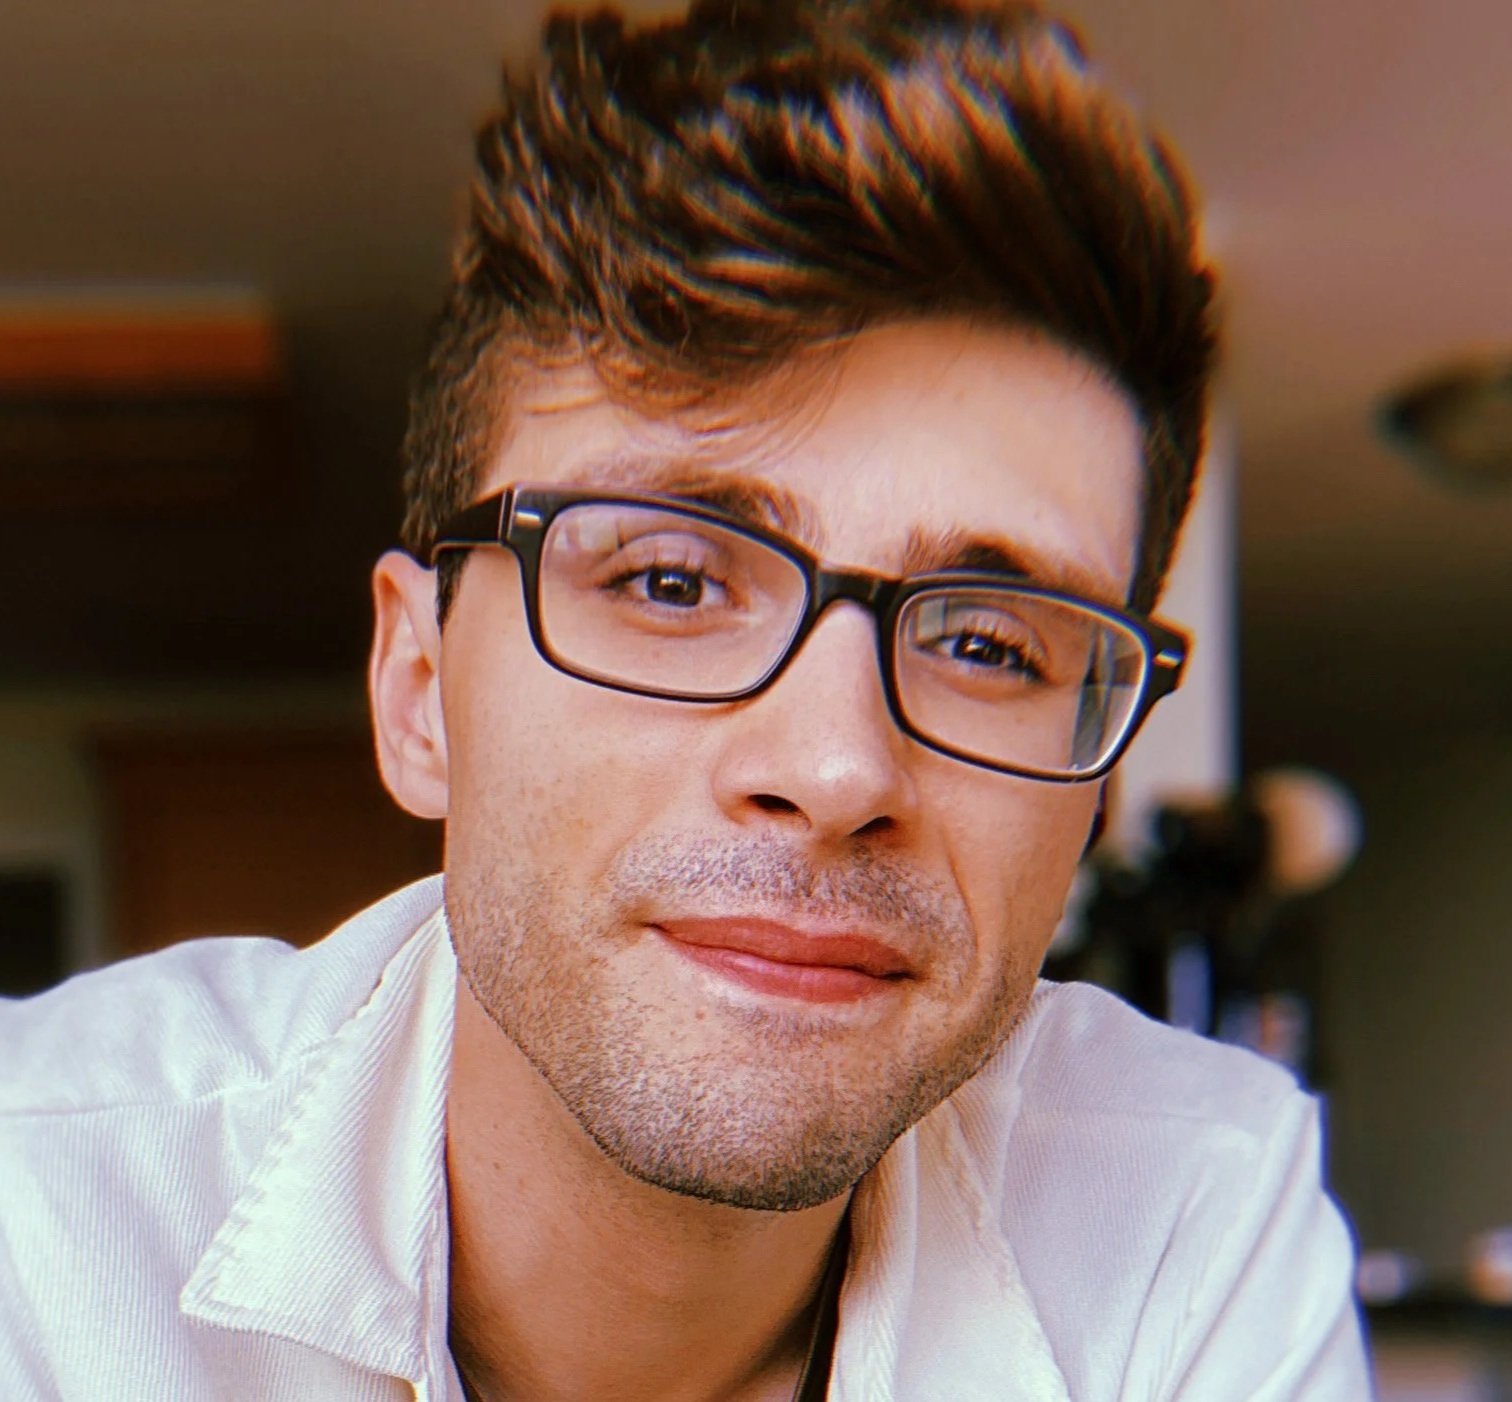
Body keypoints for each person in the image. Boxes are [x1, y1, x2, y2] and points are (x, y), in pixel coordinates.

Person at [0, 2, 1371, 1398]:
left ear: (1092, 794)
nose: (836, 769)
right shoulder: (33, 1217)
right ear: (420, 694)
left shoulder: (1190, 1218)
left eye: (987, 645)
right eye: (669, 582)